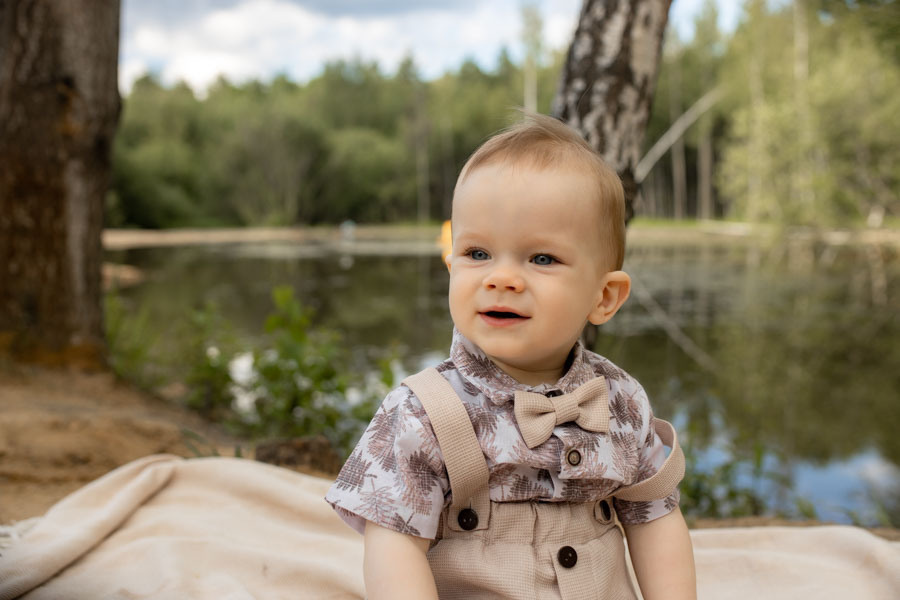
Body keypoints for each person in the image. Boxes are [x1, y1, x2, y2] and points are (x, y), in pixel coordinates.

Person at [326, 113, 696, 599]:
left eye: (541, 259)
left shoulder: (621, 401)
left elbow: (655, 519)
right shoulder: (423, 412)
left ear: (604, 297)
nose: (501, 278)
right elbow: (393, 546)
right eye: (477, 253)